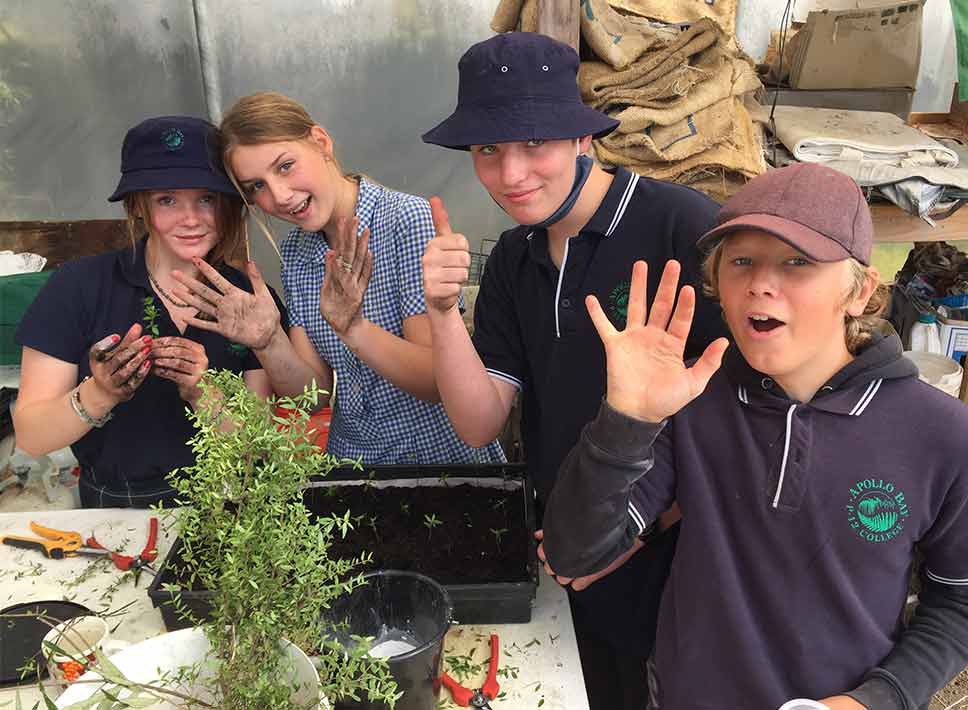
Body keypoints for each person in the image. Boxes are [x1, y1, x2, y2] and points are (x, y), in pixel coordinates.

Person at [542, 163, 968, 710]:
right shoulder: (693, 400)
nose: (762, 283)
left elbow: (967, 600)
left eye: (797, 263)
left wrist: (878, 700)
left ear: (860, 290)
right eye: (741, 261)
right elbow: (574, 555)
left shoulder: (944, 436)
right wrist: (627, 418)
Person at [421, 32, 728, 710]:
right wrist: (442, 313)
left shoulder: (682, 226)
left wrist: (636, 531)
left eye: (536, 144)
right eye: (488, 151)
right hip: (565, 546)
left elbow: (746, 413)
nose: (511, 174)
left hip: (671, 561)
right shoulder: (512, 259)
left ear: (583, 139)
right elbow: (478, 423)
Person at [213, 91, 503, 465]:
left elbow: (437, 382)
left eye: (285, 166)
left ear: (320, 142)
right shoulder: (297, 253)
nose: (280, 196)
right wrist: (269, 342)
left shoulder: (406, 220)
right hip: (355, 464)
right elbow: (313, 394)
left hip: (440, 464)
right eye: (256, 186)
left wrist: (354, 328)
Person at [13, 116, 286, 508]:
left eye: (206, 198)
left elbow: (255, 447)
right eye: (167, 199)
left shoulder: (248, 298)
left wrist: (201, 391)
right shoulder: (77, 286)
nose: (191, 219)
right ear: (138, 206)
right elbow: (31, 436)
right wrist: (100, 392)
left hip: (230, 509)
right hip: (117, 511)